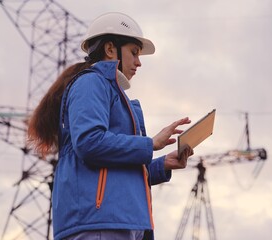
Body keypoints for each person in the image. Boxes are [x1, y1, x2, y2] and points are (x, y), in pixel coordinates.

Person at [27, 12, 194, 240]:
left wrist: (161, 165)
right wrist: (150, 144)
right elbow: (89, 142)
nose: (139, 62)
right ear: (109, 48)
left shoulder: (108, 91)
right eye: (134, 52)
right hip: (98, 224)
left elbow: (116, 168)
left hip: (119, 223)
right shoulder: (91, 82)